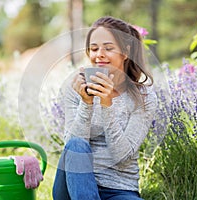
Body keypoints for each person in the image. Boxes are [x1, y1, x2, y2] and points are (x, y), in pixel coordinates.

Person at [52, 16, 157, 200]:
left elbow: (122, 156)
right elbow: (71, 150)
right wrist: (87, 102)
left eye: (108, 48)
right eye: (94, 49)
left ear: (125, 52)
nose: (99, 54)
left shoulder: (144, 97)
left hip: (119, 190)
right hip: (72, 186)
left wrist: (107, 104)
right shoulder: (75, 86)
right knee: (76, 144)